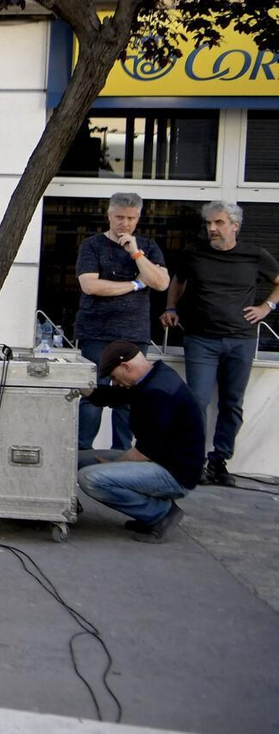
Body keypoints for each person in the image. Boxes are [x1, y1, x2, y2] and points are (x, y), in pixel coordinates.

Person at [160, 200, 279, 486]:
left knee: (232, 403)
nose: (212, 228)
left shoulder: (254, 255)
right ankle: (195, 461)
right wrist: (171, 307)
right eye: (209, 223)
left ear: (235, 226)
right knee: (198, 400)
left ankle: (219, 462)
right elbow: (177, 280)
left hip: (241, 340)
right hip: (201, 339)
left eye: (219, 223)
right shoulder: (194, 253)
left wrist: (267, 307)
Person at [77, 341, 204, 544]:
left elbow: (144, 452)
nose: (115, 383)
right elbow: (110, 396)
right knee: (76, 460)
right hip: (157, 460)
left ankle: (161, 513)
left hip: (175, 473)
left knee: (90, 478)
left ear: (126, 366)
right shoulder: (151, 377)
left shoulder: (158, 391)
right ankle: (149, 513)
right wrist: (73, 381)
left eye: (114, 377)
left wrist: (112, 466)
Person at [73, 192, 169, 452]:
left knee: (130, 395)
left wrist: (136, 254)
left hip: (134, 334)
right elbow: (90, 285)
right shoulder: (92, 246)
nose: (124, 223)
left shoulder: (147, 248)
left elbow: (161, 283)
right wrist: (135, 284)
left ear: (138, 218)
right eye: (119, 217)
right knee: (93, 394)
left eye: (130, 218)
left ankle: (122, 454)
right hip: (97, 332)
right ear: (109, 215)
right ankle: (82, 453)